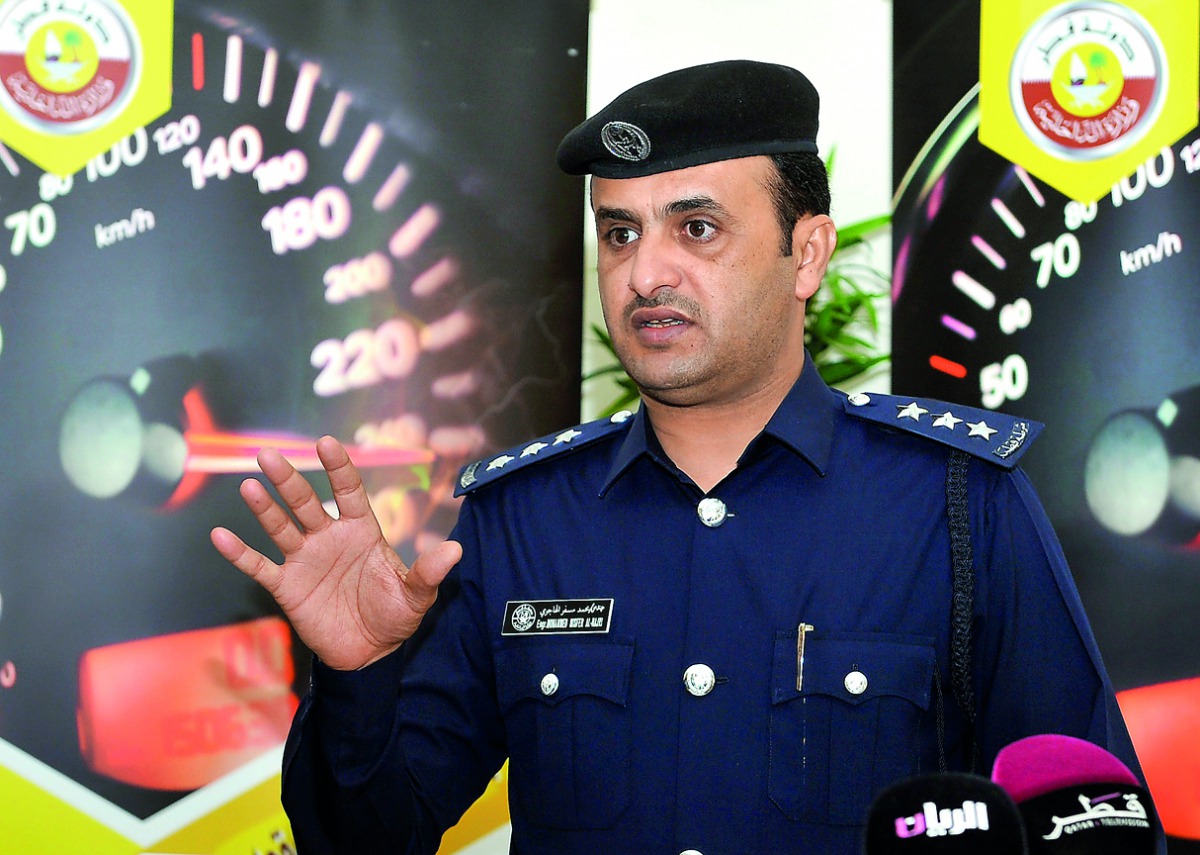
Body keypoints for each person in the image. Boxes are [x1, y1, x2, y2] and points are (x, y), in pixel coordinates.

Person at [211, 60, 1156, 854]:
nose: (646, 271)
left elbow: (1093, 822)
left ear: (808, 254)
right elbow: (366, 839)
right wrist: (357, 675)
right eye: (619, 232)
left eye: (696, 228)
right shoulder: (520, 519)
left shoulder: (957, 501)